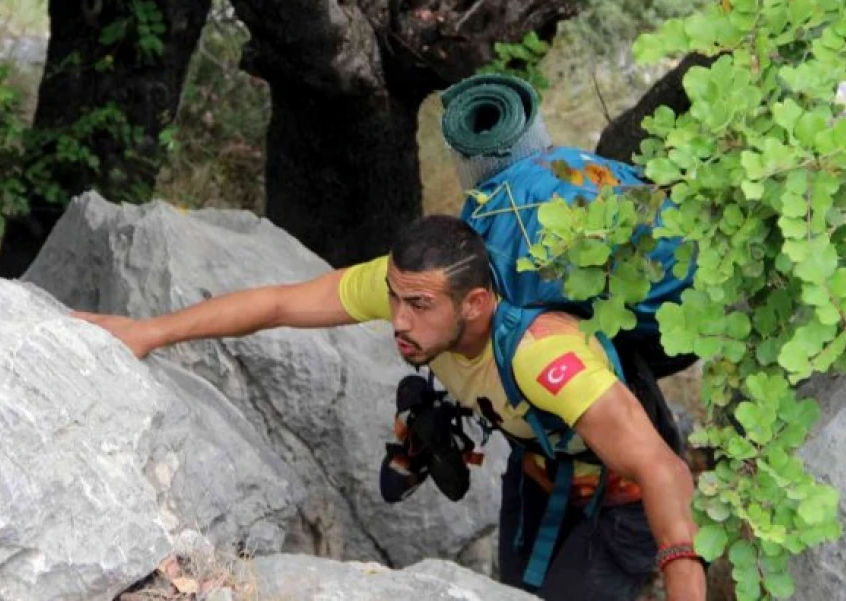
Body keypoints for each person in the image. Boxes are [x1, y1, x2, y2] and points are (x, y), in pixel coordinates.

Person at [72, 214, 705, 601]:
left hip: (623, 500)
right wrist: (149, 331)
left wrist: (683, 572)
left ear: (477, 304)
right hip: (540, 471)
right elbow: (278, 304)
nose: (398, 321)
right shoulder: (414, 287)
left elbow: (663, 470)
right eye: (395, 299)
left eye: (420, 307)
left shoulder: (544, 355)